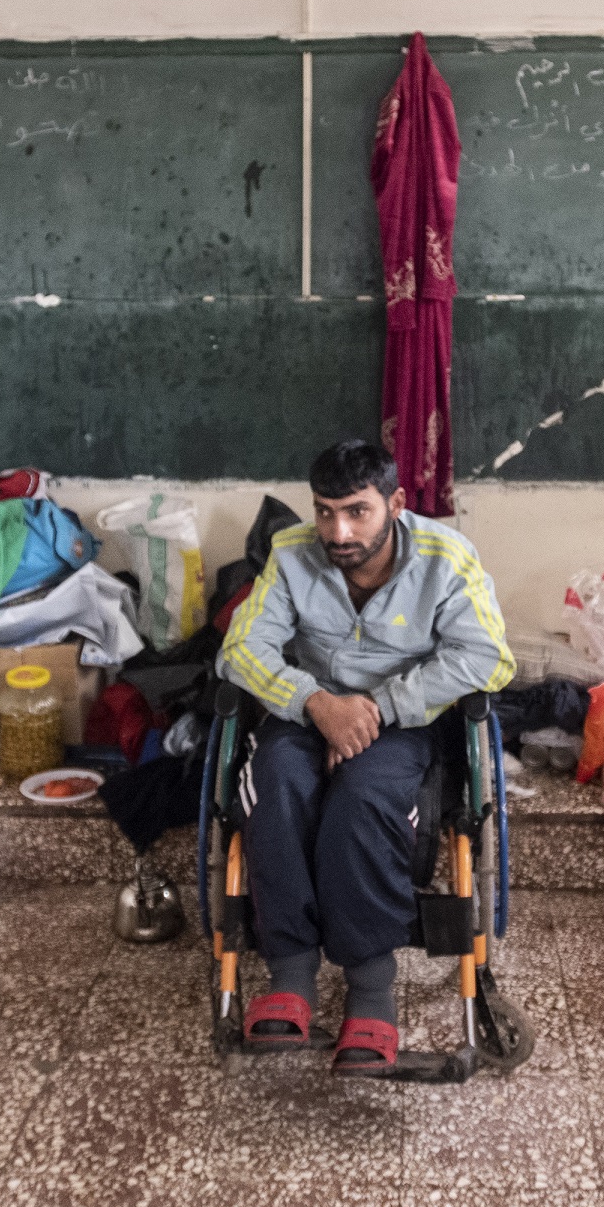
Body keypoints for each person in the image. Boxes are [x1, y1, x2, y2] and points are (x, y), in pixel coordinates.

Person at [216, 438, 515, 1073]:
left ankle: (372, 989)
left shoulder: (448, 558)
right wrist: (318, 705)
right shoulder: (292, 554)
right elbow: (239, 651)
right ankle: (291, 976)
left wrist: (374, 709)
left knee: (362, 798)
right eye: (325, 512)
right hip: (306, 710)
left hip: (401, 722)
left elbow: (488, 656)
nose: (338, 530)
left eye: (356, 511)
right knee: (275, 779)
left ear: (396, 503)